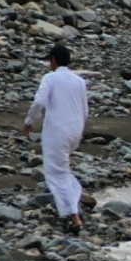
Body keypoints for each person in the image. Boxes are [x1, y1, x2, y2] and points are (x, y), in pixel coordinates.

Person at [22, 43, 88, 233]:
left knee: (56, 173)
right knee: (63, 169)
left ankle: (74, 217)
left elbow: (39, 101)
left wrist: (28, 121)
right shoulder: (79, 81)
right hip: (75, 130)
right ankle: (73, 204)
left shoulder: (50, 78)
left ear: (53, 60)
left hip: (57, 131)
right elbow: (85, 111)